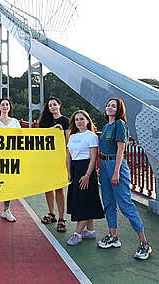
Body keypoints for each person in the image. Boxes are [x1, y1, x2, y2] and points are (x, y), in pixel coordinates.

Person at [98, 97, 152, 260]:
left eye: (113, 106)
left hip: (116, 166)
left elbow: (121, 150)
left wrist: (115, 172)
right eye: (108, 105)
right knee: (108, 202)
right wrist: (102, 168)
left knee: (125, 205)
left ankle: (144, 243)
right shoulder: (107, 126)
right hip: (105, 163)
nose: (109, 108)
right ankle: (113, 236)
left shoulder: (120, 124)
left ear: (119, 109)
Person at [65, 110, 104, 246]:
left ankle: (77, 234)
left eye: (82, 119)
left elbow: (93, 158)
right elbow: (69, 156)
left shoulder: (91, 136)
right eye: (76, 120)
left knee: (84, 201)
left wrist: (87, 174)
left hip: (86, 169)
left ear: (87, 120)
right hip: (76, 170)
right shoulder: (73, 136)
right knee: (81, 200)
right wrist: (69, 172)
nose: (79, 122)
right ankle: (90, 231)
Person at [38, 96, 70, 232]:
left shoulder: (66, 121)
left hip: (60, 159)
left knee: (59, 188)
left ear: (59, 105)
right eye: (50, 105)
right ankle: (52, 213)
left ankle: (62, 218)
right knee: (48, 187)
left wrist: (60, 131)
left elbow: (68, 141)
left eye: (54, 104)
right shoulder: (44, 121)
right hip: (47, 158)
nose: (52, 107)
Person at [0, 98, 20, 224]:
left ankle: (6, 210)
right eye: (2, 105)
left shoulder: (15, 122)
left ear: (10, 107)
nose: (5, 106)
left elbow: (20, 139)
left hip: (11, 158)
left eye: (7, 104)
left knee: (8, 185)